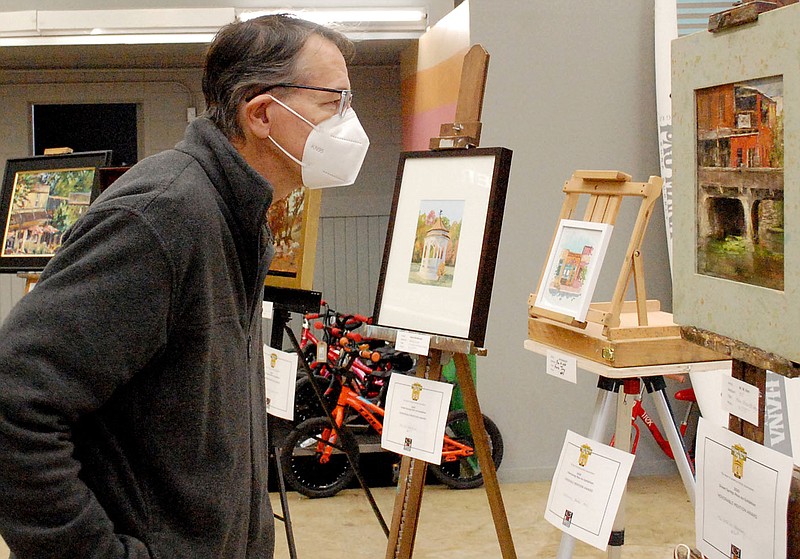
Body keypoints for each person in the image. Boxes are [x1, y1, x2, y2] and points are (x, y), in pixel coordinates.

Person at [0, 14, 369, 559]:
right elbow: (13, 405)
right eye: (332, 102)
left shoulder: (232, 213)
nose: (351, 121)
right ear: (264, 113)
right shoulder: (163, 216)